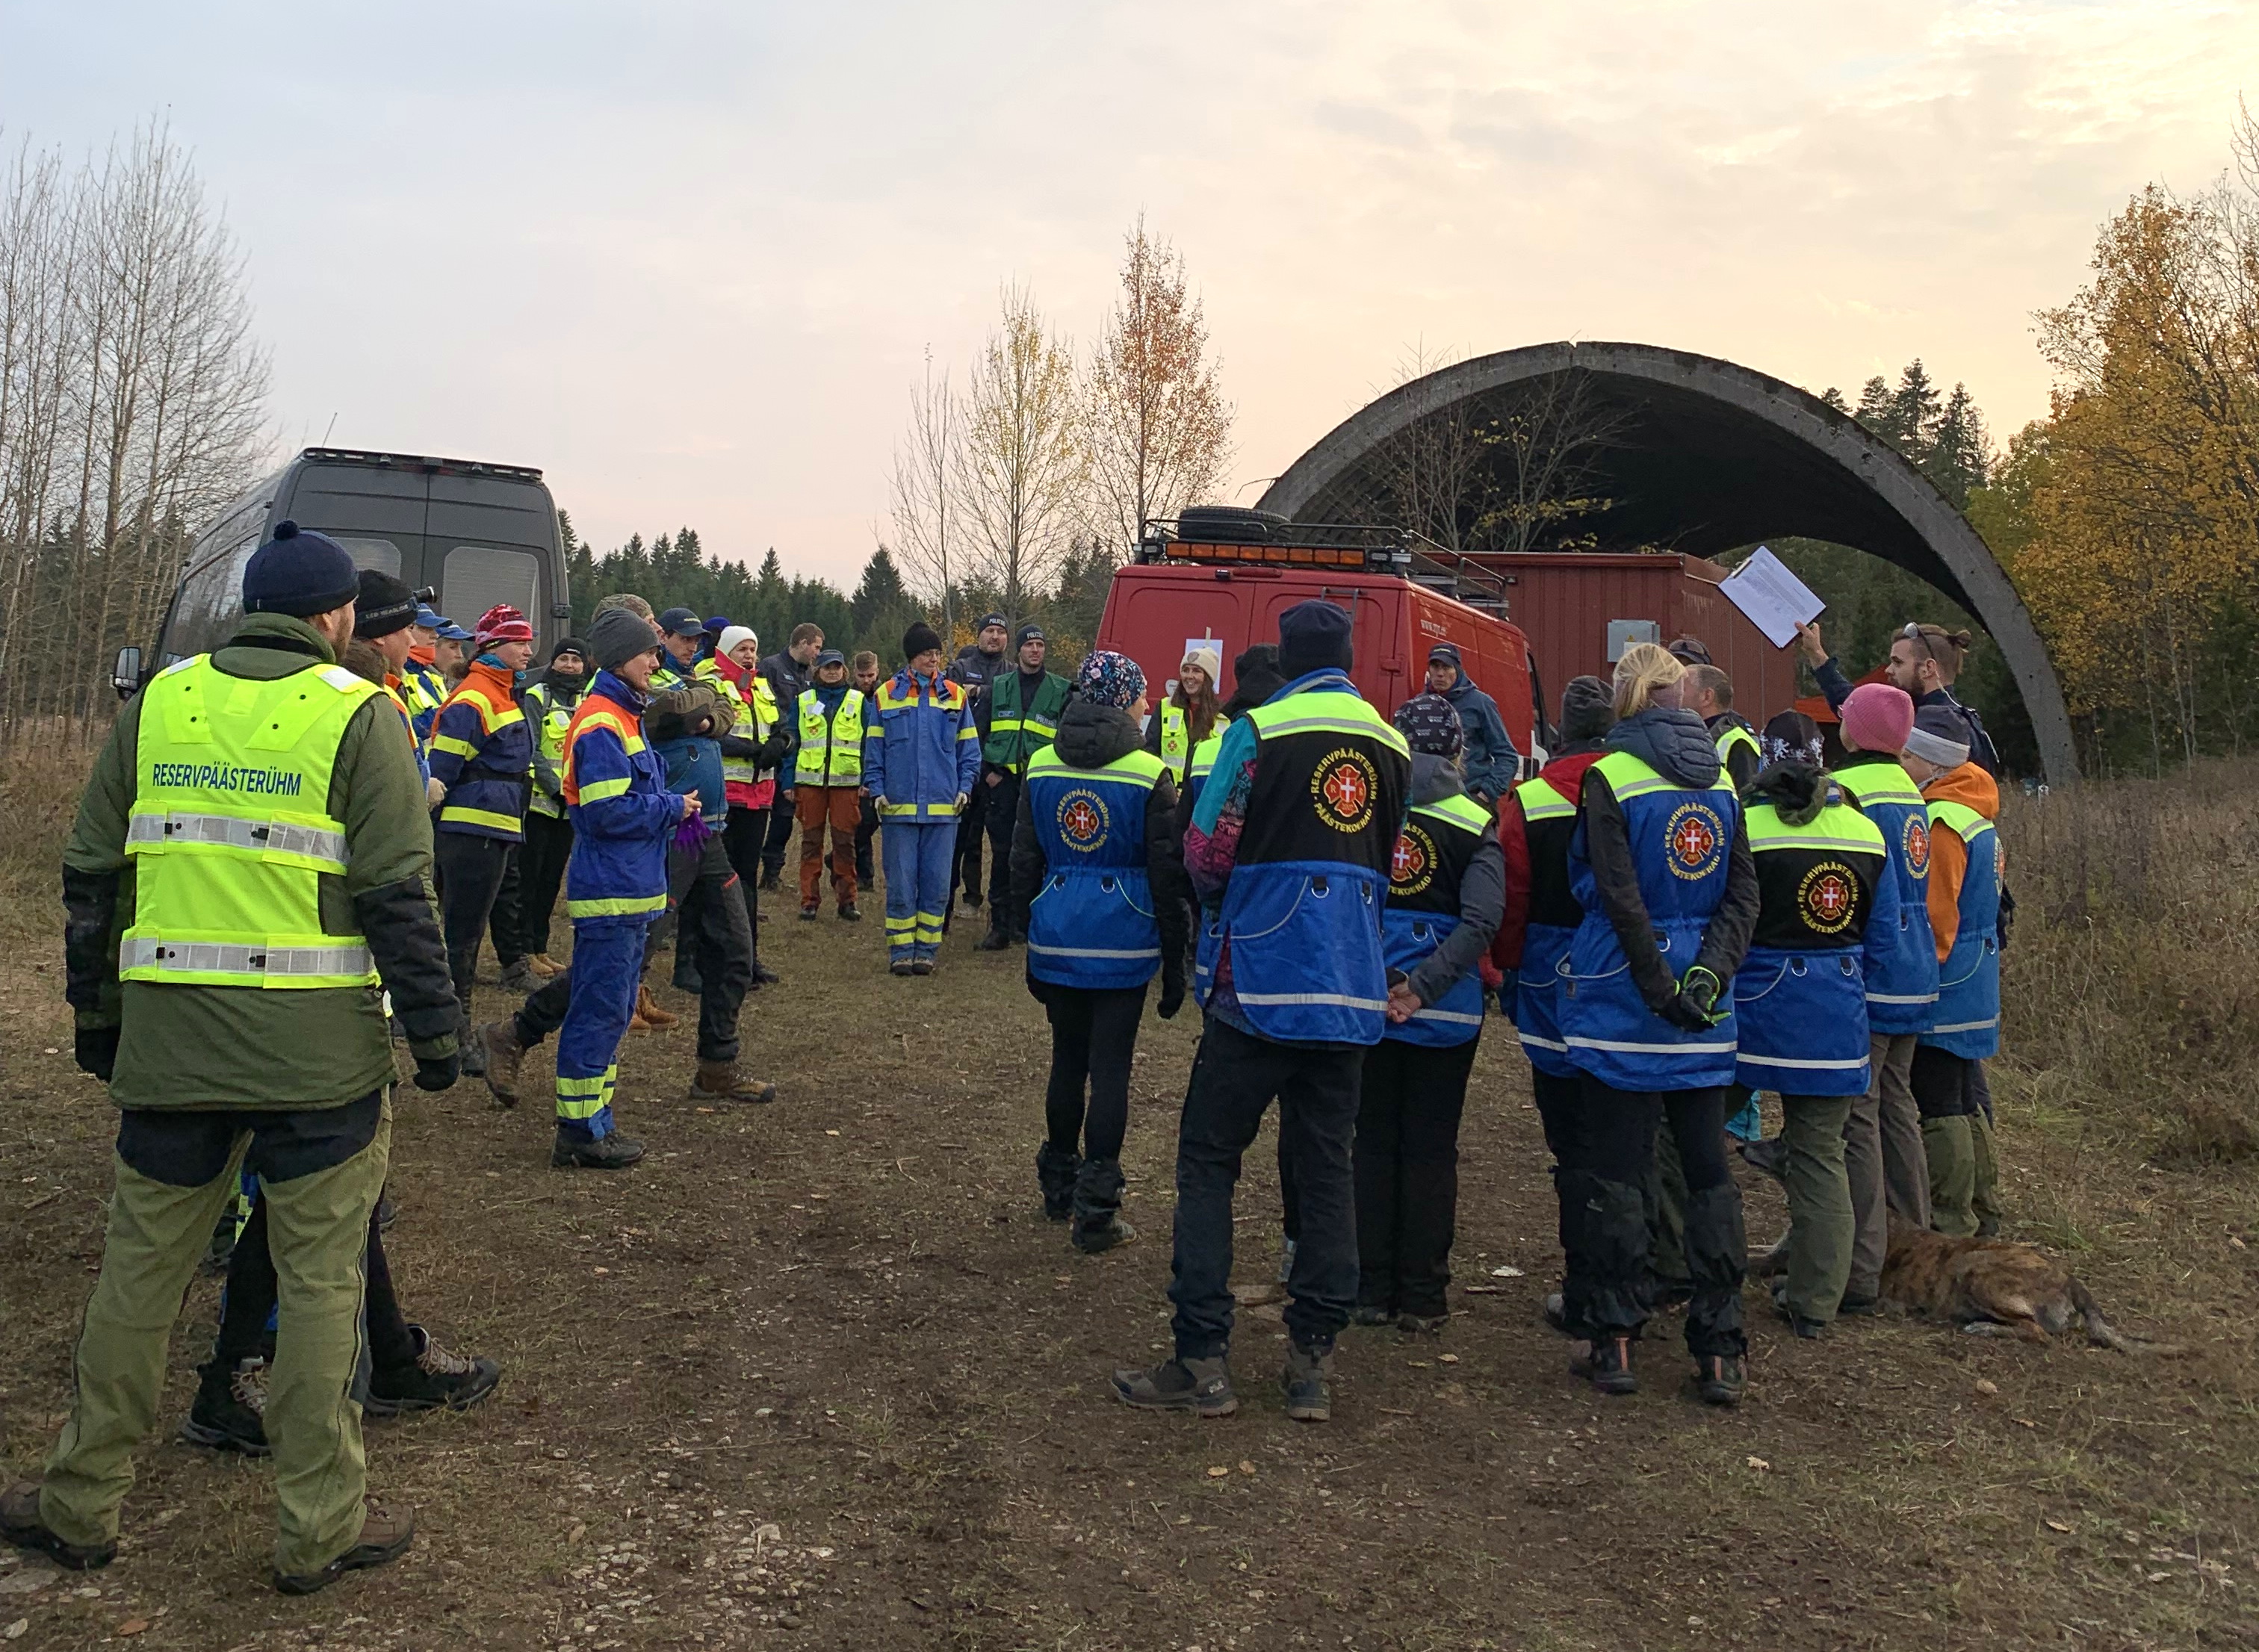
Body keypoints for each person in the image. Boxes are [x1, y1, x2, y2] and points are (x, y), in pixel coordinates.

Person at [8, 520, 458, 1594]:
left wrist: (99, 1021)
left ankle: (80, 1503)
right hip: (319, 1069)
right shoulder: (360, 714)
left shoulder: (160, 702)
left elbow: (92, 875)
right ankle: (317, 1527)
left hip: (171, 1053)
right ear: (337, 616)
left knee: (136, 1280)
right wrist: (440, 1036)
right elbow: (400, 894)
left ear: (252, 606)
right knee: (321, 1290)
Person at [1112, 599, 1411, 1425]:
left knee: (1209, 1160)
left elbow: (1208, 851)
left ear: (1287, 656)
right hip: (1349, 983)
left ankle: (1202, 1356)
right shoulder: (1391, 743)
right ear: (1348, 659)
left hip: (1256, 981)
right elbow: (1390, 857)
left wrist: (1230, 901)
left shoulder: (1259, 730)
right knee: (1327, 1167)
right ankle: (1312, 1360)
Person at [1555, 642, 1758, 1405]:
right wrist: (1709, 975)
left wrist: (1655, 983)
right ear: (1680, 696)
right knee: (1708, 1173)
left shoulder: (1610, 775)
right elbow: (1743, 896)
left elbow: (1615, 892)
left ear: (1624, 697)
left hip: (1622, 999)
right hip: (1706, 1006)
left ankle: (1614, 1339)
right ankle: (1720, 1347)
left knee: (1618, 1171)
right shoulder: (1725, 780)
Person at [1012, 650, 1189, 1249]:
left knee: (1067, 1060)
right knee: (1111, 1069)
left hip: (1058, 932)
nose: (1148, 704)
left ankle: (1057, 1186)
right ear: (1122, 700)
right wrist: (1174, 960)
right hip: (1124, 938)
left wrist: (1027, 932)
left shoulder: (1040, 764)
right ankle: (1096, 1210)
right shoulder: (1148, 773)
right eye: (1141, 694)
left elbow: (1023, 859)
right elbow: (1167, 875)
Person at [1725, 755, 1894, 1338]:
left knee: (1691, 1135)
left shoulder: (1746, 827)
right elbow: (1883, 940)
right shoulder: (1867, 833)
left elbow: (1727, 920)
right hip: (1836, 1014)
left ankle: (1692, 1263)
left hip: (1754, 1009)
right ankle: (1816, 1302)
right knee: (1822, 1155)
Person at [1353, 694, 1503, 1333]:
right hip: (1446, 1013)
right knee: (1432, 1151)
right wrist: (1425, 987)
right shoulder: (1476, 822)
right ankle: (1423, 1296)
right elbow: (1482, 921)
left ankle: (1368, 1287)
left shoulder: (1366, 809)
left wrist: (1387, 981)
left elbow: (1350, 901)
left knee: (1371, 1143)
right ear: (1459, 752)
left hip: (1371, 1001)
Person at [543, 607, 694, 1169]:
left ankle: (596, 1122)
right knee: (599, 1011)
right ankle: (579, 1132)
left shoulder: (624, 715)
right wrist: (672, 807)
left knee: (612, 1010)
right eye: (647, 653)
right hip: (612, 892)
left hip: (629, 890)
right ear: (619, 658)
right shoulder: (603, 722)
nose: (656, 661)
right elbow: (607, 812)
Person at [1492, 674, 1614, 1348]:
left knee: (1568, 1138)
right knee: (1621, 1134)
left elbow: (1512, 894)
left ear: (1561, 729)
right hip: (1620, 967)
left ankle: (1583, 1279)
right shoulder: (1634, 789)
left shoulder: (1531, 798)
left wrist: (1509, 969)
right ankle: (1627, 1273)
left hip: (1547, 969)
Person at [1828, 683, 1938, 1297]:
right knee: (1898, 1103)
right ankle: (1916, 1241)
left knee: (1857, 1113)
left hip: (1872, 968)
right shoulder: (1911, 791)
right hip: (1917, 966)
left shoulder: (1850, 791)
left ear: (1858, 731)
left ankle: (1863, 1264)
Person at [643, 677, 772, 1103]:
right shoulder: (642, 679)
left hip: (707, 834)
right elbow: (668, 712)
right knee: (627, 954)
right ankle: (521, 1029)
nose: (690, 647)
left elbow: (719, 708)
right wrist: (702, 707)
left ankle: (717, 1067)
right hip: (671, 834)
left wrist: (705, 711)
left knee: (735, 948)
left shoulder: (688, 680)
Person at [1902, 707, 2002, 1237]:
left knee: (1939, 1100)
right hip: (1977, 970)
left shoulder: (1941, 822)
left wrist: (1919, 976)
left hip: (1949, 978)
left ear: (1932, 763)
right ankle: (1984, 1206)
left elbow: (1937, 914)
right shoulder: (1975, 808)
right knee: (1965, 1095)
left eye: (1908, 755)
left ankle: (1951, 1218)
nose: (1901, 763)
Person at [427, 604, 537, 1043]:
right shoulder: (476, 696)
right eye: (519, 642)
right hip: (472, 830)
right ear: (493, 646)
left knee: (466, 932)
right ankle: (458, 1032)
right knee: (463, 935)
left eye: (529, 642)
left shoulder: (502, 691)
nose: (528, 650)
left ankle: (453, 1026)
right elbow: (443, 770)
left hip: (494, 827)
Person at [865, 623, 979, 975]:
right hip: (898, 809)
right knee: (901, 884)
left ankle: (927, 950)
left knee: (937, 884)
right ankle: (901, 951)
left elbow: (969, 750)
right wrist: (876, 789)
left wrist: (965, 787)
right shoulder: (885, 695)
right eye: (927, 654)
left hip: (944, 811)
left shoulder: (955, 696)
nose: (934, 659)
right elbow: (874, 750)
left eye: (937, 654)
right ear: (912, 657)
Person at [1796, 618, 2001, 777]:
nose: (1889, 670)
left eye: (1898, 662)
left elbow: (1859, 712)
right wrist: (1817, 655)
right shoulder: (1938, 717)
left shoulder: (1942, 725)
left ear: (1928, 668)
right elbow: (1856, 708)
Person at [977, 624, 1070, 950]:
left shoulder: (1061, 691)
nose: (1035, 650)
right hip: (1003, 785)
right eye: (1029, 645)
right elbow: (976, 734)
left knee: (1039, 857)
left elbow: (1067, 741)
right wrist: (988, 774)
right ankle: (1000, 926)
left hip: (1041, 788)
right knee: (1003, 856)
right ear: (1018, 650)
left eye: (1040, 645)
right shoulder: (998, 687)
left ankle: (1031, 925)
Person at [707, 624, 787, 985]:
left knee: (748, 878)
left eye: (753, 649)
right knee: (721, 882)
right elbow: (712, 734)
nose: (749, 655)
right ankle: (721, 960)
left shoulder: (761, 688)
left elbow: (782, 726)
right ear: (726, 651)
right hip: (724, 797)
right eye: (742, 649)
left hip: (759, 796)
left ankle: (749, 958)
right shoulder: (710, 685)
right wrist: (756, 751)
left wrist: (782, 743)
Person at [516, 637, 589, 978]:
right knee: (529, 880)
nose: (570, 666)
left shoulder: (588, 700)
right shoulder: (537, 696)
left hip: (570, 809)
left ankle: (541, 948)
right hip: (540, 806)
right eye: (564, 660)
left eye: (576, 660)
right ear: (554, 663)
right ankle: (523, 949)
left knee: (551, 882)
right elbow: (531, 748)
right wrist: (556, 788)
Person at [790, 649, 867, 920]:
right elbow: (792, 742)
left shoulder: (859, 701)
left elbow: (869, 743)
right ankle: (809, 901)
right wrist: (788, 782)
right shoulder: (803, 701)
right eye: (827, 667)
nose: (832, 672)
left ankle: (848, 901)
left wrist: (867, 779)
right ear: (817, 671)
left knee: (845, 843)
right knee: (811, 842)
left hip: (847, 784)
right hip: (810, 783)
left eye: (837, 667)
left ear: (844, 670)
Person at [948, 612, 1011, 909]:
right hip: (962, 771)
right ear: (979, 635)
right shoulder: (960, 668)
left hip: (999, 774)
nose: (995, 636)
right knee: (960, 841)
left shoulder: (1013, 671)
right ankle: (952, 902)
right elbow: (948, 700)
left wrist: (980, 692)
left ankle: (993, 905)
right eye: (989, 630)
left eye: (1001, 631)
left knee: (1001, 845)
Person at [758, 623, 825, 888]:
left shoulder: (810, 674)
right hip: (772, 750)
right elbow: (764, 704)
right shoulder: (771, 667)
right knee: (762, 814)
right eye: (816, 647)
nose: (818, 653)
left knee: (785, 816)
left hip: (798, 754)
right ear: (803, 643)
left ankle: (772, 872)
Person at [1422, 643, 1517, 807]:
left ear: (1457, 670)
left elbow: (1507, 756)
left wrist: (1485, 795)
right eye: (1435, 667)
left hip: (1470, 797)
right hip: (1429, 800)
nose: (1440, 674)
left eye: (1447, 667)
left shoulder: (1480, 703)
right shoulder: (1420, 704)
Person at [1147, 641, 1224, 783]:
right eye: (1185, 670)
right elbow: (1150, 753)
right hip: (1168, 792)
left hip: (1202, 792)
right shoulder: (1165, 707)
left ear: (1208, 677)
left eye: (1196, 671)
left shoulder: (1222, 716)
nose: (1189, 676)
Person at [1683, 663, 1761, 792]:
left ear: (1707, 696)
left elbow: (1745, 797)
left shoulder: (1738, 743)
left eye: (1683, 688)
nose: (1676, 693)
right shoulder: (1686, 734)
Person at [851, 650, 884, 886]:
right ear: (854, 673)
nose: (866, 680)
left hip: (879, 766)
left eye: (870, 675)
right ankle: (864, 875)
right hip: (853, 767)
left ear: (877, 672)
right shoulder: (849, 698)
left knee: (869, 821)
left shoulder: (886, 695)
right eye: (862, 676)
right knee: (859, 821)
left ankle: (840, 858)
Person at [401, 603, 449, 746]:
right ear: (407, 629)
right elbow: (399, 729)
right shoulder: (393, 674)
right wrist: (445, 714)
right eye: (425, 629)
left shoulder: (430, 676)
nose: (435, 635)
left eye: (434, 629)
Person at [652, 606, 707, 692]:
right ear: (663, 637)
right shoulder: (649, 673)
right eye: (686, 639)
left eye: (696, 641)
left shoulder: (692, 674)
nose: (693, 649)